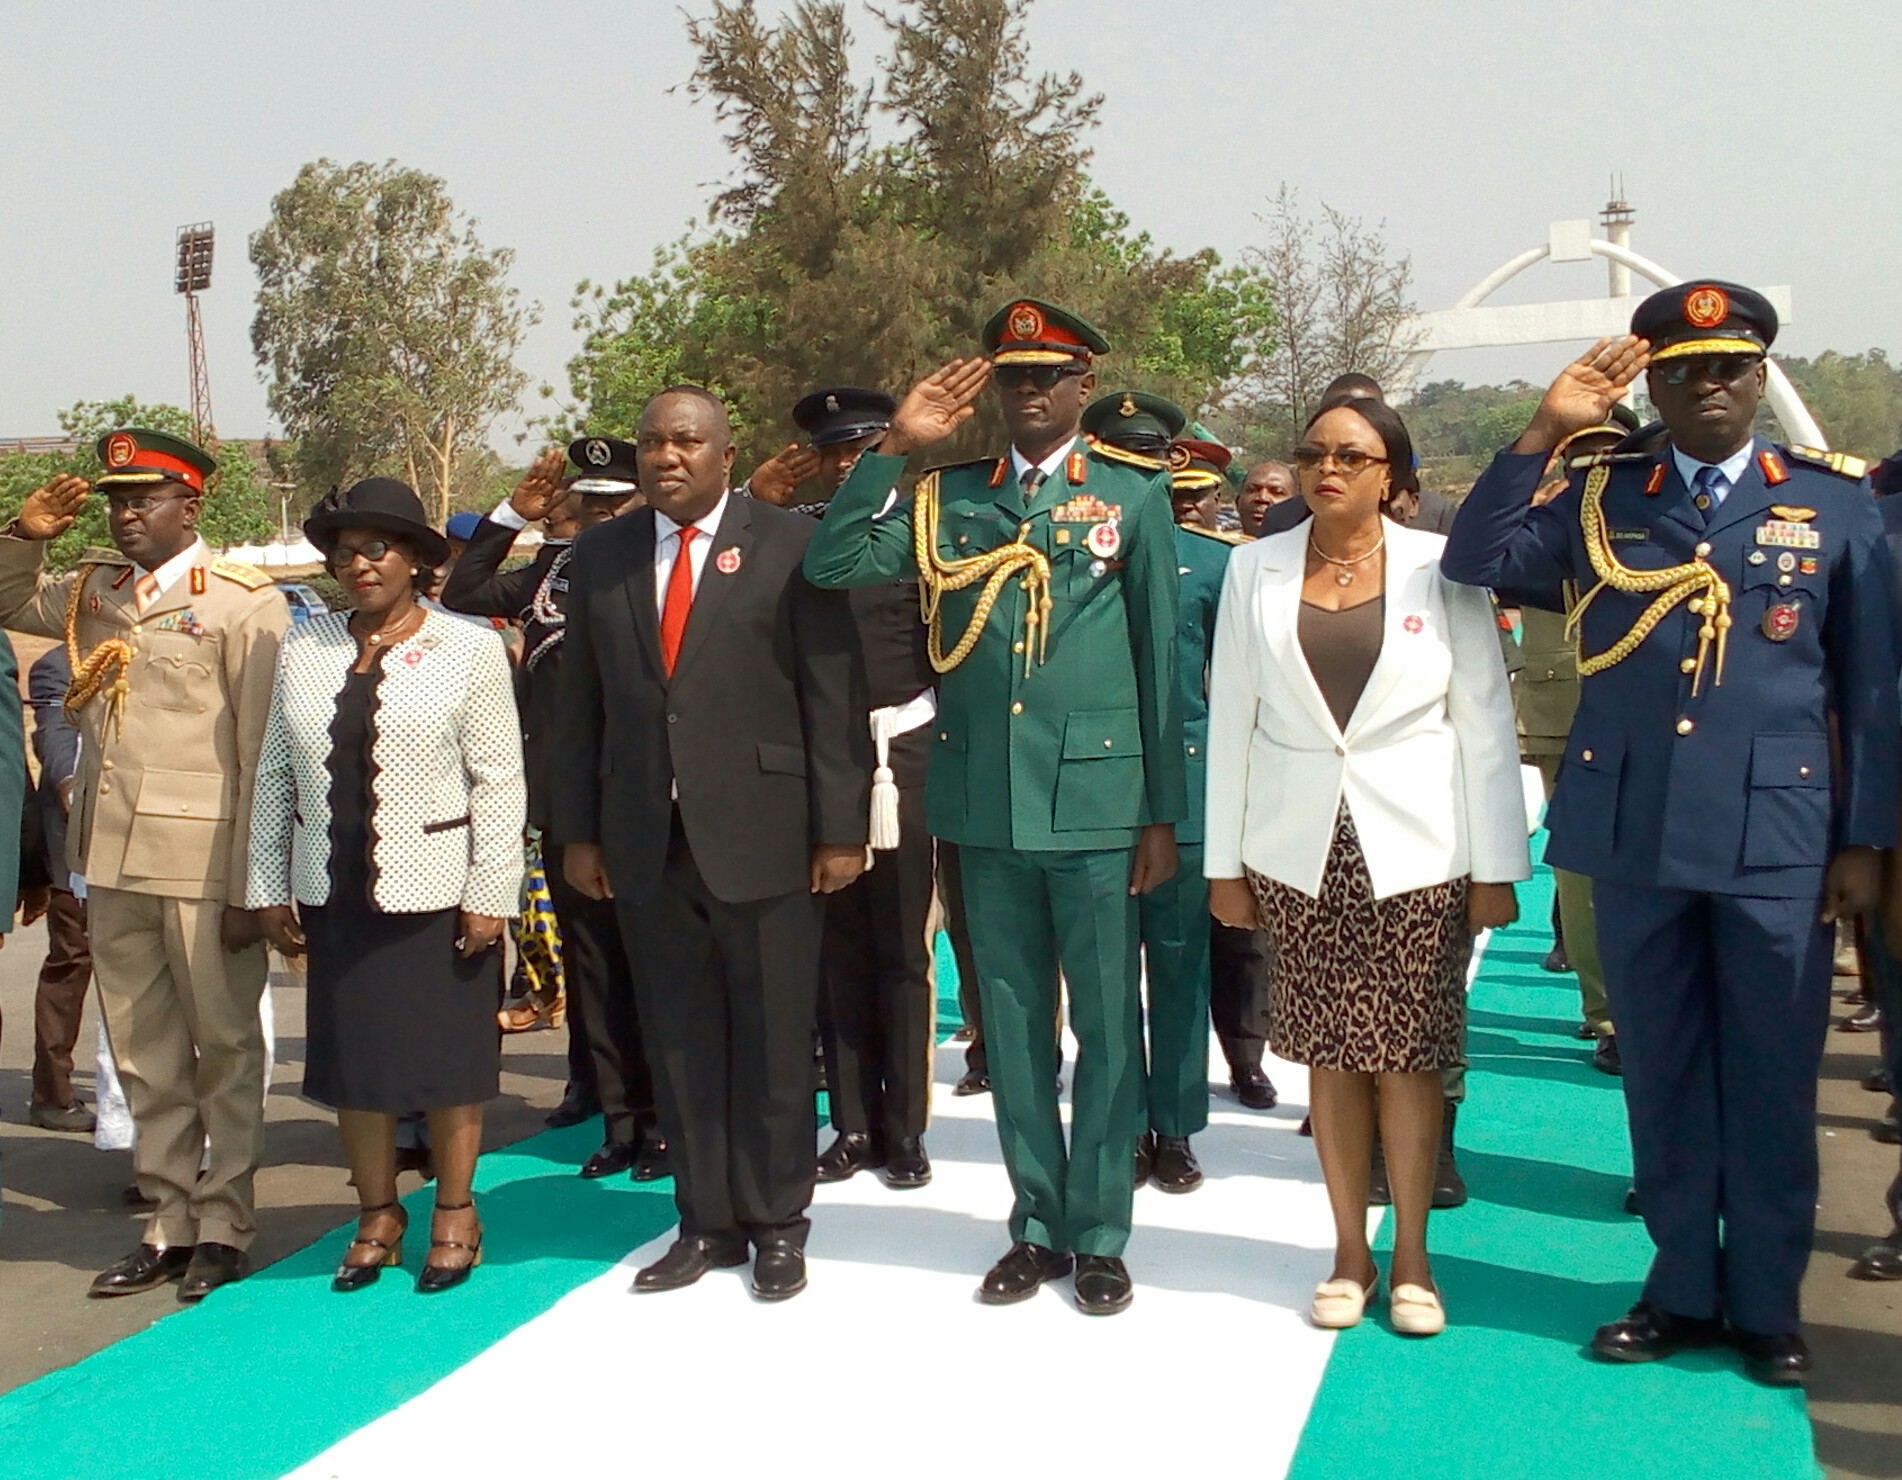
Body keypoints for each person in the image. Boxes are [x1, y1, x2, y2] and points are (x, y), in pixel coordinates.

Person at [1440, 282, 1900, 1385]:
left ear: (1760, 379)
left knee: (1775, 1074)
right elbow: (1474, 557)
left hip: (1774, 837)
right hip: (1636, 830)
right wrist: (1545, 430)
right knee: (1663, 1069)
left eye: (1731, 366)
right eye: (1686, 368)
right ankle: (1681, 1286)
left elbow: (1873, 688)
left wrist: (1863, 843)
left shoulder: (1832, 505)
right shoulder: (1607, 496)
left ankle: (1768, 1303)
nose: (1711, 385)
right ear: (1652, 382)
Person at [805, 300, 1185, 1315]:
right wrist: (893, 449)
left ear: (1080, 386)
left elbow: (1159, 659)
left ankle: (1099, 1230)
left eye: (1047, 377)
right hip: (984, 801)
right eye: (1011, 376)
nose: (1028, 392)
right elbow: (832, 563)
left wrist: (1163, 813)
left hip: (1100, 804)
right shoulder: (945, 499)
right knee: (1010, 1025)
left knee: (1106, 1025)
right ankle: (1036, 1222)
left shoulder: (1131, 498)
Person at [1205, 396, 1528, 1337]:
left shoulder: (1442, 567)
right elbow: (1233, 719)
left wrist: (1495, 863)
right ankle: (1349, 1253)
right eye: (1312, 453)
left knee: (1413, 1054)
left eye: (1351, 454)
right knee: (1335, 1057)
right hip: (1298, 851)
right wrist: (1225, 864)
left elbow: (1483, 718)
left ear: (1392, 473)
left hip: (1419, 848)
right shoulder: (1251, 568)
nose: (1326, 468)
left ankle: (1415, 1258)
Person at [552, 385, 869, 1302]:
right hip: (648, 838)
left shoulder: (790, 544)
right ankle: (705, 1221)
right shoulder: (602, 552)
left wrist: (840, 826)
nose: (665, 457)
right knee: (681, 1039)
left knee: (772, 1039)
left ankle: (777, 1222)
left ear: (727, 455)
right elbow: (583, 705)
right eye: (652, 441)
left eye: (686, 441)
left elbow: (831, 696)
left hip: (767, 834)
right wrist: (577, 831)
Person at [0, 430, 286, 1301]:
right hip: (113, 857)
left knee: (226, 1048)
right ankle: (167, 1221)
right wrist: (26, 534)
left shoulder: (242, 601)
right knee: (144, 1054)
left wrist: (256, 883)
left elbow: (263, 751)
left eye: (144, 500)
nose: (126, 516)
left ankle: (226, 1224)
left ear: (188, 508)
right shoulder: (96, 590)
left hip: (206, 862)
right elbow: (7, 598)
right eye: (118, 502)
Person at [247, 477, 525, 1295]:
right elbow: (273, 774)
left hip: (439, 894)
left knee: (445, 1065)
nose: (359, 564)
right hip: (334, 894)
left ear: (414, 560)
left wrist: (490, 891)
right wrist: (267, 882)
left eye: (378, 549)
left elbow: (500, 781)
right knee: (356, 1065)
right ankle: (377, 1212)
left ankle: (455, 1210)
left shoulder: (467, 649)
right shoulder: (306, 646)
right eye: (344, 552)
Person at [441, 438, 667, 1182]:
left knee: (656, 959)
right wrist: (513, 516)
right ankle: (611, 1109)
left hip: (647, 792)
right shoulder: (552, 568)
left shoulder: (662, 566)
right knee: (591, 961)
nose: (602, 512)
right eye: (591, 500)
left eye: (617, 499)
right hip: (568, 796)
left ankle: (664, 1113)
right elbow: (463, 592)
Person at [751, 386, 940, 1190]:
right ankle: (854, 1122)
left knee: (902, 954)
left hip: (909, 751)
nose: (844, 464)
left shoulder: (926, 529)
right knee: (838, 952)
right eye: (832, 454)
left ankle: (906, 1129)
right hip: (823, 760)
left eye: (859, 449)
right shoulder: (797, 539)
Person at [1512, 405, 1642, 1075]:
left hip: (1648, 708)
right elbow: (1491, 563)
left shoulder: (1655, 510)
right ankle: (1608, 1015)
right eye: (1576, 454)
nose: (1591, 466)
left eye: (1607, 452)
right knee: (1582, 867)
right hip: (1562, 701)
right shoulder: (1553, 520)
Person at [9, 647, 91, 1132]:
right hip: (74, 843)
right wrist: (68, 784)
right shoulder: (60, 663)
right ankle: (52, 1094)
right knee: (72, 963)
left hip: (154, 846)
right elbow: (55, 733)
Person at [1237, 461, 1295, 538]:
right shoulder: (1222, 548)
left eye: (1277, 492)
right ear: (1237, 501)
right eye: (1252, 490)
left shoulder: (1305, 549)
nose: (1262, 498)